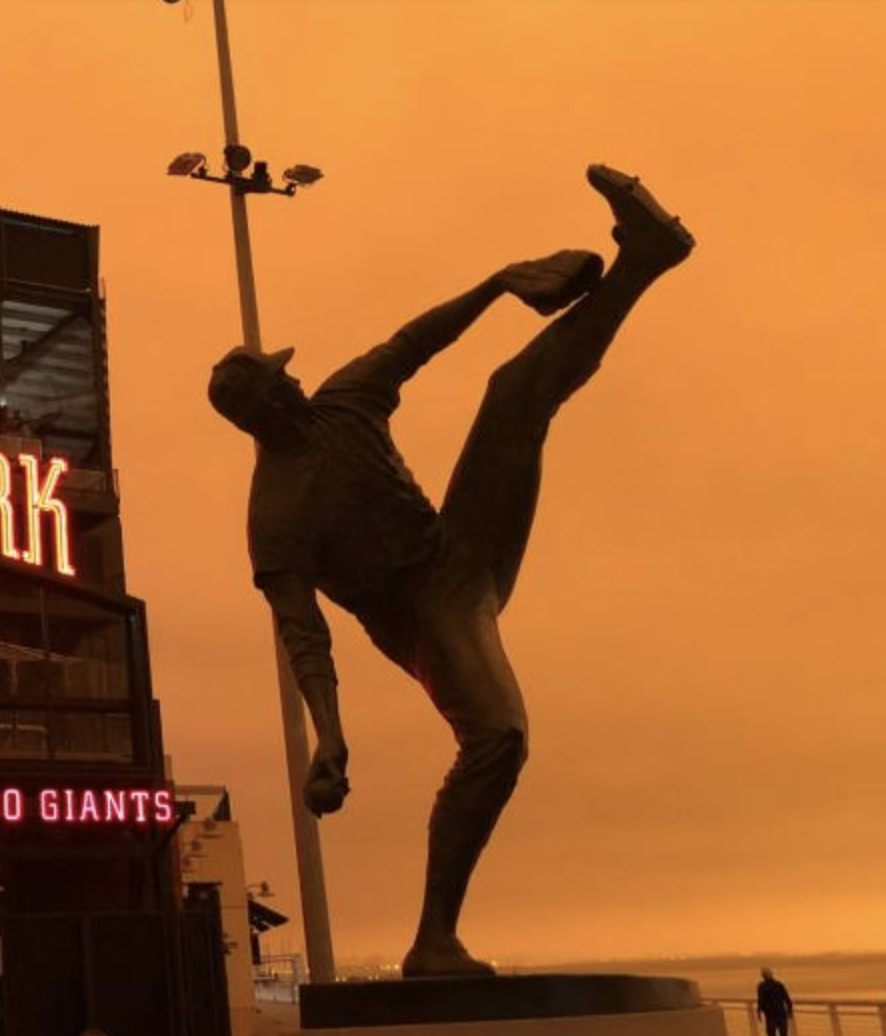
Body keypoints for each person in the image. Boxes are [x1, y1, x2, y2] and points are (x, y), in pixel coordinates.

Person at [208, 165, 694, 978]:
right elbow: (305, 638)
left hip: (459, 548)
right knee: (497, 736)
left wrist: (501, 284)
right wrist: (328, 736)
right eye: (279, 378)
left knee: (513, 395)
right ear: (259, 409)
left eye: (289, 370)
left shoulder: (343, 398)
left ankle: (646, 258)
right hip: (419, 616)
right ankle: (436, 939)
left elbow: (416, 341)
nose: (295, 376)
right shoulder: (274, 517)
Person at [756, 968, 793, 1036]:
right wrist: (790, 1011)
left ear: (763, 976)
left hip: (770, 1015)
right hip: (781, 1014)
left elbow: (760, 1000)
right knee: (783, 1033)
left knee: (771, 1033)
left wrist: (759, 1011)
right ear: (771, 975)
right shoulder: (779, 985)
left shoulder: (762, 986)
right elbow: (787, 999)